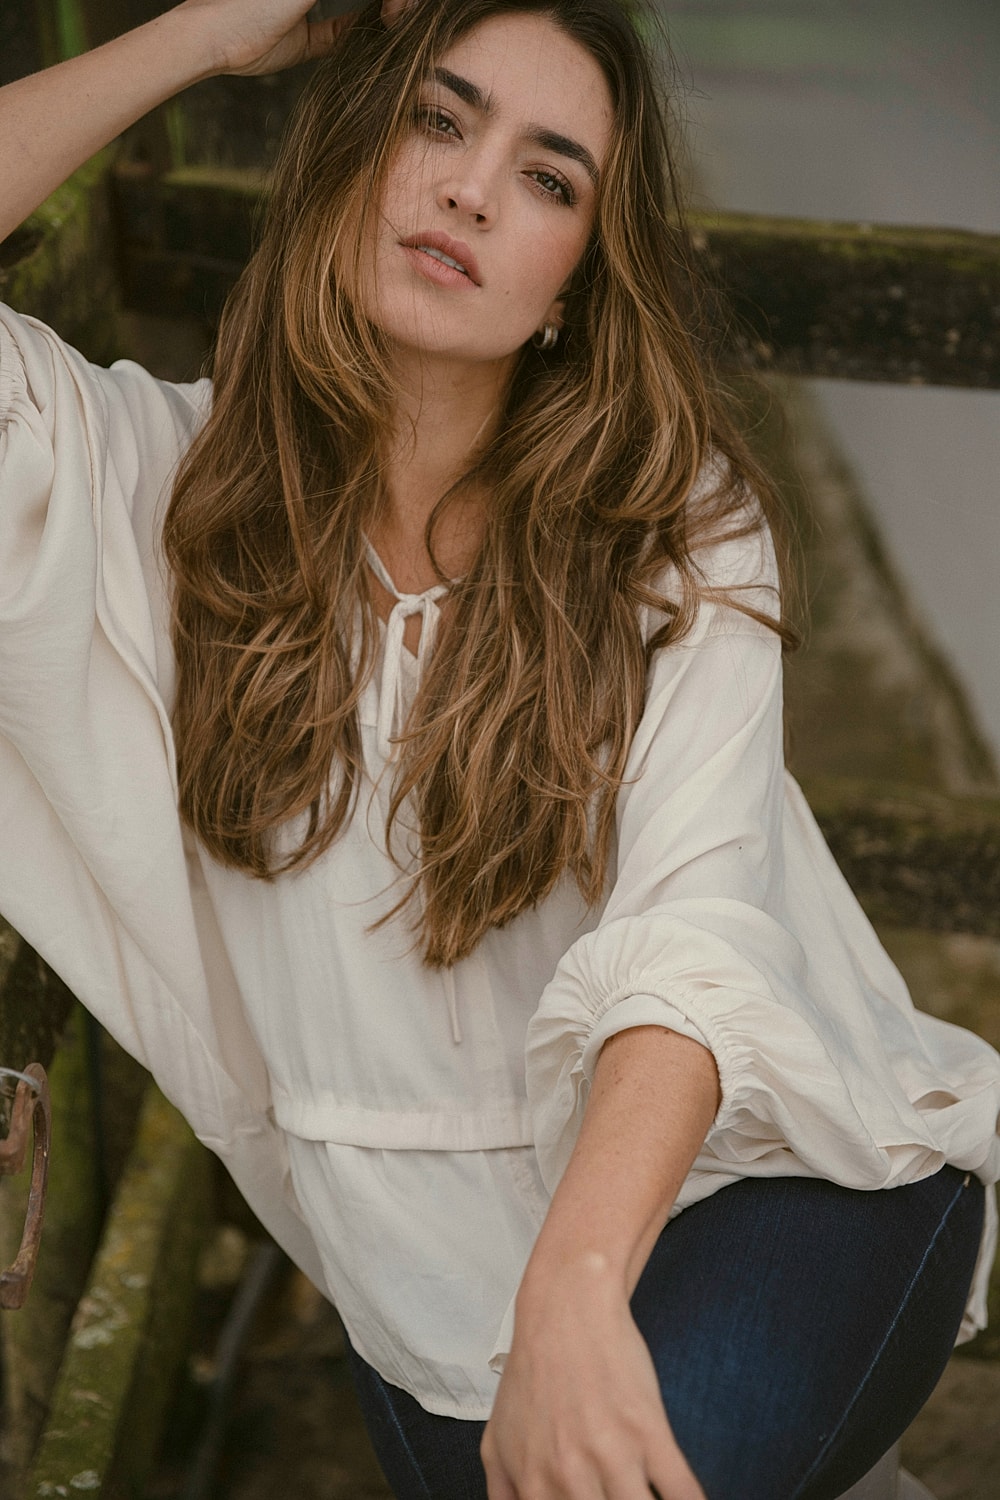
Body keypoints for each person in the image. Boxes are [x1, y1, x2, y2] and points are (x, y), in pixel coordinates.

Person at [1, 1, 997, 1496]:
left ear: (569, 290)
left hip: (771, 1176)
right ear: (345, 159)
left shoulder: (675, 531)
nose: (471, 188)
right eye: (437, 121)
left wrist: (577, 1291)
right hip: (427, 1276)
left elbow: (693, 940)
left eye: (550, 178)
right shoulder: (150, 497)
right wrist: (205, 35)